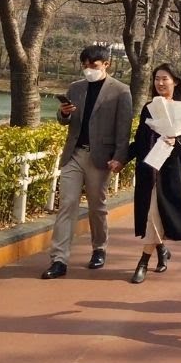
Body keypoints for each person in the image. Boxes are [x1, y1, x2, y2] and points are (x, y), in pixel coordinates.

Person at [42, 45, 133, 280]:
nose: (88, 69)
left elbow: (123, 129)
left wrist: (120, 157)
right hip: (74, 154)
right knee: (67, 203)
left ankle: (99, 248)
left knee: (97, 206)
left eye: (93, 65)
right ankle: (59, 258)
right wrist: (64, 113)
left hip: (100, 157)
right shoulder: (76, 88)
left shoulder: (120, 91)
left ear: (106, 64)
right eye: (85, 65)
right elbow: (65, 121)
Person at [126, 63, 181, 284]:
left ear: (175, 81)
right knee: (152, 214)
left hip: (170, 172)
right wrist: (121, 158)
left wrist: (175, 141)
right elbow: (140, 140)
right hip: (149, 170)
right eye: (157, 78)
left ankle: (143, 262)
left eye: (165, 78)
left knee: (154, 214)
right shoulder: (149, 108)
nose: (160, 83)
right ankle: (161, 250)